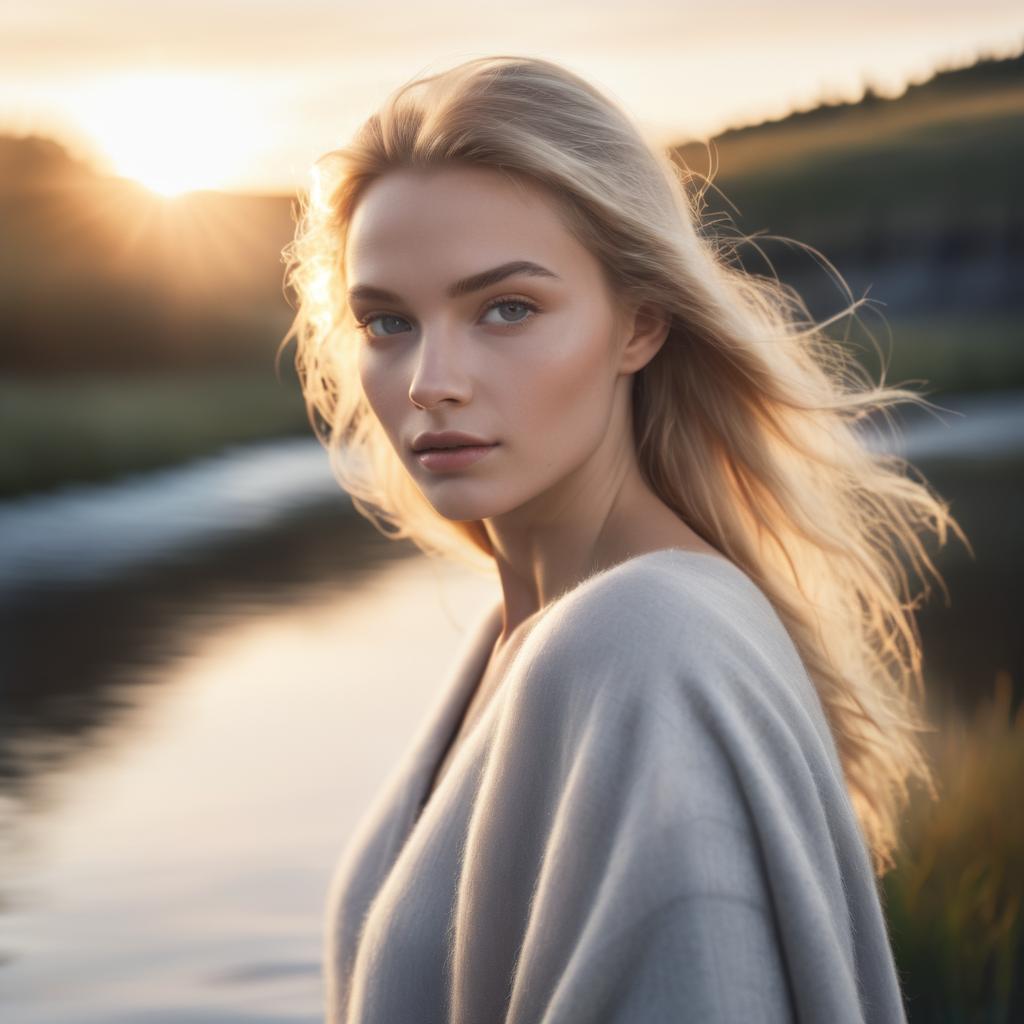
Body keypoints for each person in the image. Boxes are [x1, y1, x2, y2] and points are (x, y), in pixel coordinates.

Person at [280, 54, 966, 1023]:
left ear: (639, 324)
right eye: (388, 321)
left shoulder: (647, 644)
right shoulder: (522, 637)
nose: (432, 378)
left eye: (507, 308)